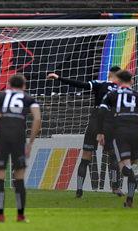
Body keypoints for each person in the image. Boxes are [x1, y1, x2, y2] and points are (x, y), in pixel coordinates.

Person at [47, 66, 123, 197]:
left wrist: (59, 78)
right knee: (113, 157)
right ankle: (115, 188)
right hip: (109, 123)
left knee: (86, 157)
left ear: (109, 74)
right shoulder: (122, 90)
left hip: (94, 122)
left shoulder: (99, 83)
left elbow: (79, 85)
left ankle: (79, 189)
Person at [96, 70, 138, 208]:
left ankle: (133, 174)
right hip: (137, 132)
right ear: (131, 81)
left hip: (120, 132)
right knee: (134, 163)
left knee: (124, 166)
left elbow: (101, 112)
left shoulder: (111, 95)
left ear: (118, 81)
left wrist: (100, 132)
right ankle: (129, 200)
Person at [0, 74, 41, 222]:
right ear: (24, 85)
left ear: (8, 84)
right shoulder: (29, 98)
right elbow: (37, 118)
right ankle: (20, 215)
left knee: (0, 175)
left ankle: (0, 214)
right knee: (19, 176)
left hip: (1, 137)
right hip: (18, 138)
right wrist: (30, 142)